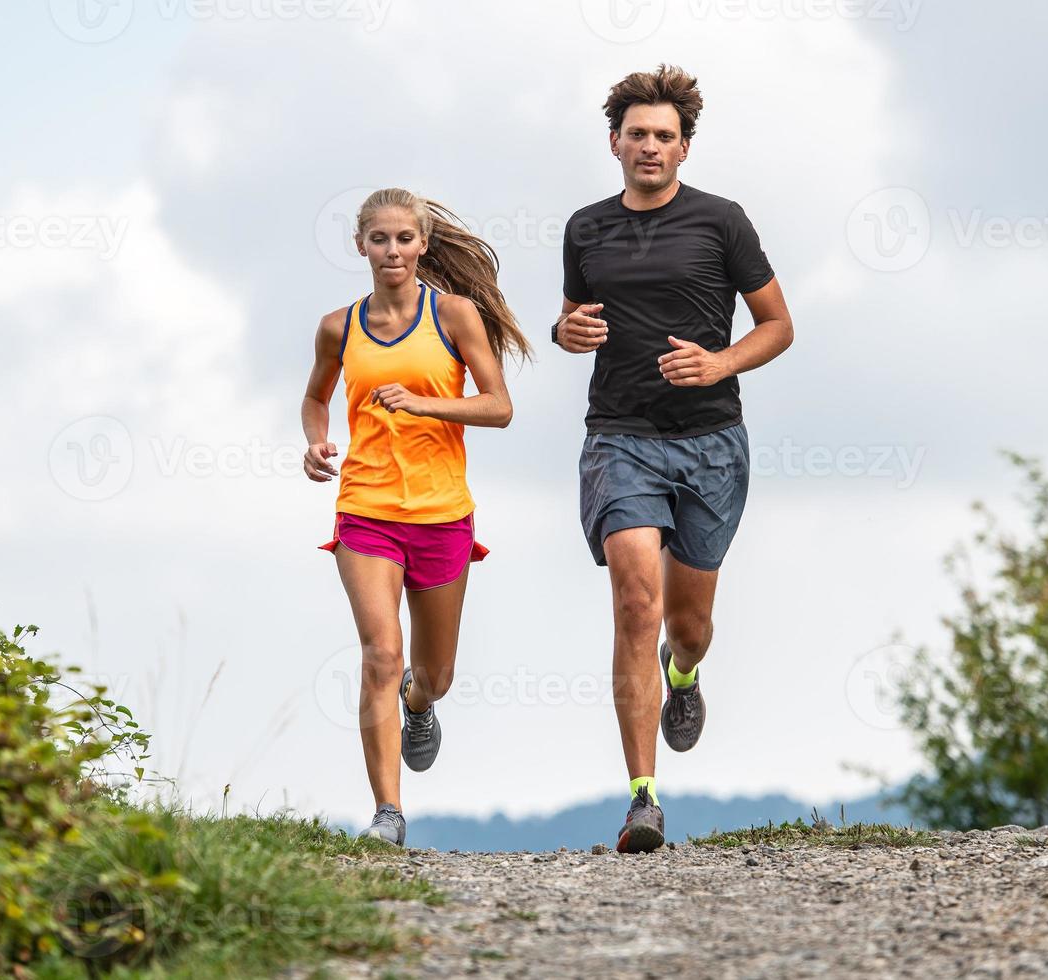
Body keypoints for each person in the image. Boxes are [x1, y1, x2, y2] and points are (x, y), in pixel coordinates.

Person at [553, 66, 794, 853]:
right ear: (614, 142)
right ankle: (643, 800)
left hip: (712, 443)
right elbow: (569, 320)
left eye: (664, 135)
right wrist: (567, 335)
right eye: (637, 134)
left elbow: (777, 325)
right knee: (633, 602)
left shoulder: (722, 222)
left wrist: (721, 364)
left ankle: (682, 675)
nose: (649, 146)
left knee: (687, 625)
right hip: (619, 436)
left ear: (684, 147)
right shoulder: (585, 228)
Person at [302, 188, 531, 846]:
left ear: (423, 243)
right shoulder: (337, 327)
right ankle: (387, 814)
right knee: (380, 652)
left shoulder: (455, 315)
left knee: (433, 674)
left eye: (404, 239)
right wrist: (316, 442)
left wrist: (428, 407)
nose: (393, 251)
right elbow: (315, 398)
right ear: (360, 246)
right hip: (367, 509)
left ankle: (418, 705)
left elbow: (498, 407)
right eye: (380, 239)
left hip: (442, 513)